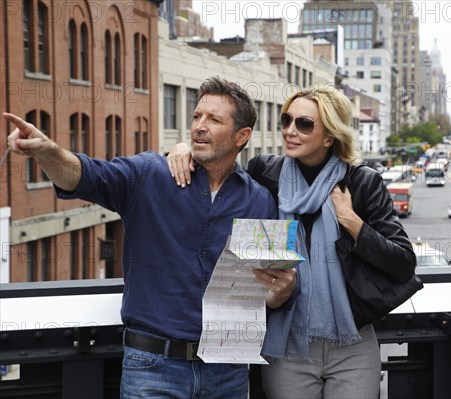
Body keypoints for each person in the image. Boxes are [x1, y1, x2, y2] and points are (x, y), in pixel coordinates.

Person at [4, 76, 297, 399]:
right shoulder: (150, 175)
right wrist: (48, 153)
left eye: (214, 119)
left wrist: (279, 295)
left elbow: (259, 290)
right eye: (197, 116)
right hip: (153, 368)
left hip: (227, 372)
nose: (200, 126)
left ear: (242, 136)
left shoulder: (259, 201)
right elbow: (86, 175)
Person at [168, 85, 417, 399]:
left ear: (330, 135)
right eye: (286, 120)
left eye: (304, 124)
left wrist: (352, 222)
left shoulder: (361, 183)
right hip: (285, 343)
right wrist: (181, 149)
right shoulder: (265, 174)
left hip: (352, 344)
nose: (290, 130)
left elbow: (404, 263)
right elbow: (216, 176)